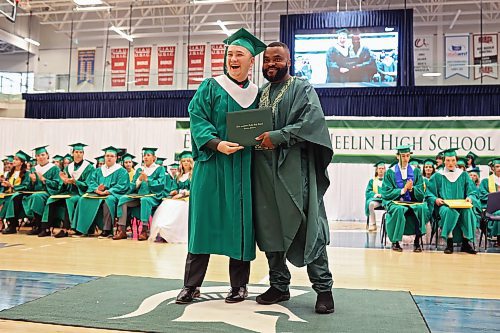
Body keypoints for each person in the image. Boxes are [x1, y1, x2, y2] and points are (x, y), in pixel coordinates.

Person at [175, 28, 266, 305]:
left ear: (252, 61)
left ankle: (239, 286)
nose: (233, 59)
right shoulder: (210, 86)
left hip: (242, 168)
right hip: (212, 166)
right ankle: (191, 286)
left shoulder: (258, 94)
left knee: (240, 226)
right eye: (230, 54)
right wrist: (216, 143)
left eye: (240, 54)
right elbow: (197, 118)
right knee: (202, 224)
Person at [253, 42, 334, 314]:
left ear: (289, 61)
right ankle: (279, 285)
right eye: (266, 60)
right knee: (269, 228)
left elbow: (311, 123)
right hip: (263, 172)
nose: (270, 64)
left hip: (293, 172)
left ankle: (323, 289)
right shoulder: (260, 93)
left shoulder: (302, 88)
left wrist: (278, 136)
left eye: (277, 59)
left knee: (307, 226)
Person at [426, 148, 478, 254]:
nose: (451, 163)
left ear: (456, 160)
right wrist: (435, 199)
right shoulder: (437, 176)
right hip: (445, 205)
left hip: (461, 205)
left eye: (453, 160)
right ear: (444, 161)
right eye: (448, 160)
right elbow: (429, 193)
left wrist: (470, 198)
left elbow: (472, 191)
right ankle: (449, 243)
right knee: (449, 211)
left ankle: (466, 243)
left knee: (468, 211)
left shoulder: (463, 175)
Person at [40, 143, 95, 238]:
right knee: (51, 199)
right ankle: (46, 228)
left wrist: (75, 182)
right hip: (68, 192)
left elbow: (88, 185)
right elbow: (62, 184)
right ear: (72, 153)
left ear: (83, 154)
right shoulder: (68, 167)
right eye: (76, 152)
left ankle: (66, 229)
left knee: (69, 200)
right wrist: (64, 182)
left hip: (80, 193)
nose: (78, 154)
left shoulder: (89, 167)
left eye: (81, 152)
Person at [72, 146, 130, 237]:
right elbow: (92, 182)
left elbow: (122, 185)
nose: (109, 158)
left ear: (116, 158)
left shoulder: (122, 171)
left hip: (113, 195)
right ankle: (83, 229)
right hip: (98, 194)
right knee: (83, 199)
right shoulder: (98, 170)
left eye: (111, 156)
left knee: (108, 200)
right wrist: (97, 189)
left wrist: (108, 191)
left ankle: (106, 230)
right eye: (107, 156)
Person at [380, 145, 428, 252]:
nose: (406, 159)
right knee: (398, 209)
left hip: (412, 201)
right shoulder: (390, 172)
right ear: (397, 156)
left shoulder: (415, 171)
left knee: (421, 208)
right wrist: (402, 190)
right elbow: (386, 193)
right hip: (394, 202)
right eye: (403, 156)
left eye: (408, 156)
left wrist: (411, 190)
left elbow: (421, 193)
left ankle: (417, 241)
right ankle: (395, 242)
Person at [114, 147, 166, 241]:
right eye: (144, 155)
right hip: (138, 196)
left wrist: (147, 179)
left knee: (145, 200)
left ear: (154, 158)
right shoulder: (139, 170)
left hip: (153, 196)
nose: (145, 157)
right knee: (123, 199)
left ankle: (144, 230)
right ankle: (122, 230)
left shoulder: (160, 169)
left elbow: (161, 185)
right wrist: (139, 180)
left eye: (148, 155)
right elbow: (133, 186)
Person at [149, 151, 194, 243]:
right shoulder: (178, 176)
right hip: (178, 198)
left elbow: (194, 189)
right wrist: (174, 191)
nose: (186, 163)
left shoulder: (193, 175)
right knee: (166, 203)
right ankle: (162, 231)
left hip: (188, 198)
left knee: (180, 207)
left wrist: (182, 193)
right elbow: (174, 187)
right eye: (183, 161)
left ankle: (171, 232)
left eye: (188, 161)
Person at [22, 146, 62, 236]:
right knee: (27, 197)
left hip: (49, 192)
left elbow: (57, 184)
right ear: (36, 157)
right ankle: (38, 226)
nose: (41, 157)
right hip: (36, 193)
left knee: (36, 197)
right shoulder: (33, 169)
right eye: (38, 155)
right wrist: (32, 181)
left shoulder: (54, 168)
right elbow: (29, 187)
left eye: (43, 155)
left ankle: (41, 226)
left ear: (47, 155)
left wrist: (44, 180)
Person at [0, 151, 32, 234]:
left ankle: (12, 225)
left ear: (21, 162)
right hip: (9, 193)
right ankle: (3, 222)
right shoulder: (10, 173)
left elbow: (26, 186)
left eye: (16, 159)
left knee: (12, 199)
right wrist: (5, 184)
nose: (14, 161)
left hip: (20, 194)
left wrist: (12, 186)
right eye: (14, 159)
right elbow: (7, 185)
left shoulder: (26, 173)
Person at [478, 158, 500, 247]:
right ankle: (499, 238)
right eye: (497, 166)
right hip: (491, 210)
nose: (499, 168)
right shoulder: (486, 181)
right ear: (492, 168)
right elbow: (483, 196)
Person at [365, 161, 386, 232]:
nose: (381, 170)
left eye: (382, 168)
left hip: (385, 200)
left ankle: (388, 225)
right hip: (377, 201)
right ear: (376, 170)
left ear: (385, 170)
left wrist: (384, 195)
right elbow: (368, 192)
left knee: (390, 206)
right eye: (379, 168)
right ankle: (373, 224)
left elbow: (391, 190)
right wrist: (376, 195)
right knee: (371, 204)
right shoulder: (372, 181)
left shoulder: (388, 181)